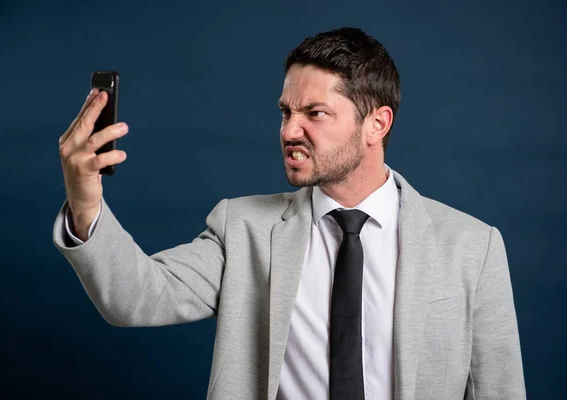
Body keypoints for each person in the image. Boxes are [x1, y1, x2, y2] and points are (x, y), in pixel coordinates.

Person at [54, 27, 526, 399]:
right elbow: (135, 298)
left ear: (376, 124)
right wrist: (85, 199)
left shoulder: (473, 247)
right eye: (285, 112)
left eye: (314, 113)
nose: (289, 130)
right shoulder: (243, 230)